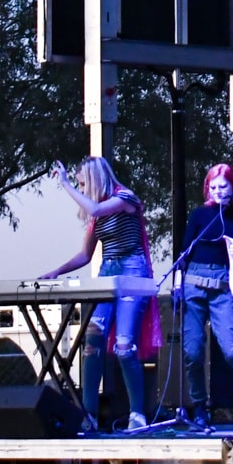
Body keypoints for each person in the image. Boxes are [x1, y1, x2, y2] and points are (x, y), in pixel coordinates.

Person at [43, 156, 155, 433]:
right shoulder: (99, 215)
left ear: (93, 180)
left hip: (132, 270)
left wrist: (66, 185)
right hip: (107, 272)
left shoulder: (125, 198)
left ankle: (137, 413)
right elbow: (85, 254)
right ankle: (89, 415)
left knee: (124, 345)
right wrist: (56, 271)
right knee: (91, 341)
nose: (81, 189)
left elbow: (93, 208)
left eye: (83, 184)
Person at [176, 163, 233, 425]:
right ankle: (199, 405)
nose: (217, 191)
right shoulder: (199, 216)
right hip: (193, 283)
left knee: (232, 349)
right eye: (213, 187)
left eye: (223, 186)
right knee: (192, 351)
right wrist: (178, 285)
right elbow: (184, 252)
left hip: (222, 286)